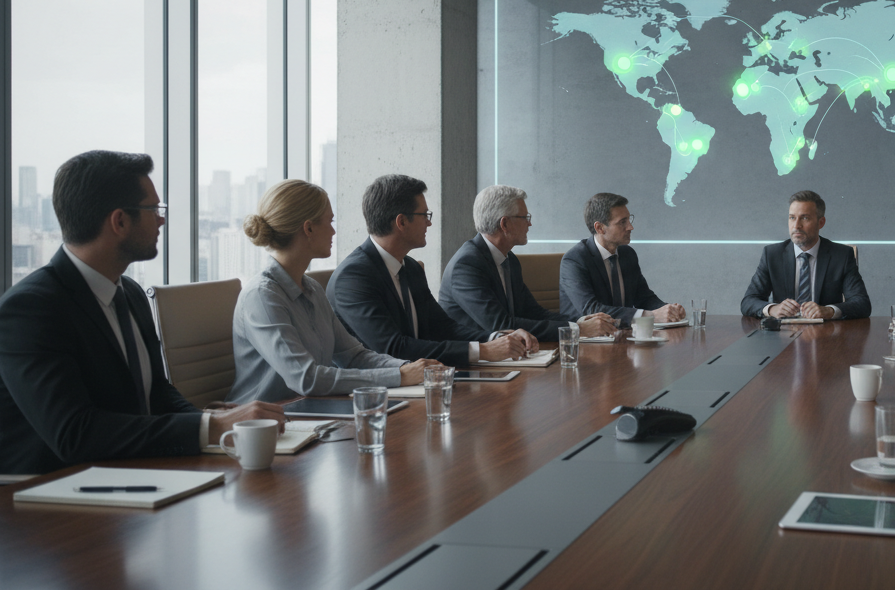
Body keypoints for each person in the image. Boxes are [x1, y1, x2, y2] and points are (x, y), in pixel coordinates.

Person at [0, 151, 284, 475]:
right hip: (42, 499)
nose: (161, 219)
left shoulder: (130, 293)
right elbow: (75, 434)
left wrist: (213, 421)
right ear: (119, 221)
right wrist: (211, 427)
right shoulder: (31, 310)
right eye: (153, 210)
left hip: (124, 476)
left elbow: (157, 394)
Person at [228, 180, 437, 404]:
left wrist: (409, 368)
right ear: (308, 228)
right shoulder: (262, 296)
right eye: (330, 221)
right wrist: (399, 376)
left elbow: (354, 356)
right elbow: (307, 379)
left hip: (312, 413)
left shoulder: (312, 289)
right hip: (265, 425)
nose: (334, 230)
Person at [327, 175, 532, 369]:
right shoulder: (353, 277)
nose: (429, 222)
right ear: (402, 222)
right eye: (424, 215)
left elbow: (443, 327)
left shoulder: (411, 267)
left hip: (419, 381)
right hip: (374, 396)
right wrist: (482, 351)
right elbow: (393, 348)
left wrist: (496, 338)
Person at [439, 185, 617, 342]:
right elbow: (501, 325)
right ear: (505, 223)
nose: (530, 224)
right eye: (525, 217)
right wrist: (577, 330)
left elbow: (534, 312)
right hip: (472, 364)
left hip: (510, 353)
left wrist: (577, 322)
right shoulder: (466, 265)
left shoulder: (509, 260)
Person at [740, 190, 871, 320]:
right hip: (784, 335)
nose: (796, 226)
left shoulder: (841, 255)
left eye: (805, 218)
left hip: (826, 335)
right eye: (792, 218)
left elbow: (862, 304)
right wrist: (773, 309)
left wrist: (829, 311)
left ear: (821, 222)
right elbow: (748, 301)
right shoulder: (772, 255)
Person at [559, 193, 683, 327]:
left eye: (629, 220)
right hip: (585, 341)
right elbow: (591, 310)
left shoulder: (627, 254)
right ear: (600, 228)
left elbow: (644, 298)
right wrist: (651, 316)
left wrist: (668, 310)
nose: (630, 227)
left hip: (623, 336)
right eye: (622, 222)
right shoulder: (575, 260)